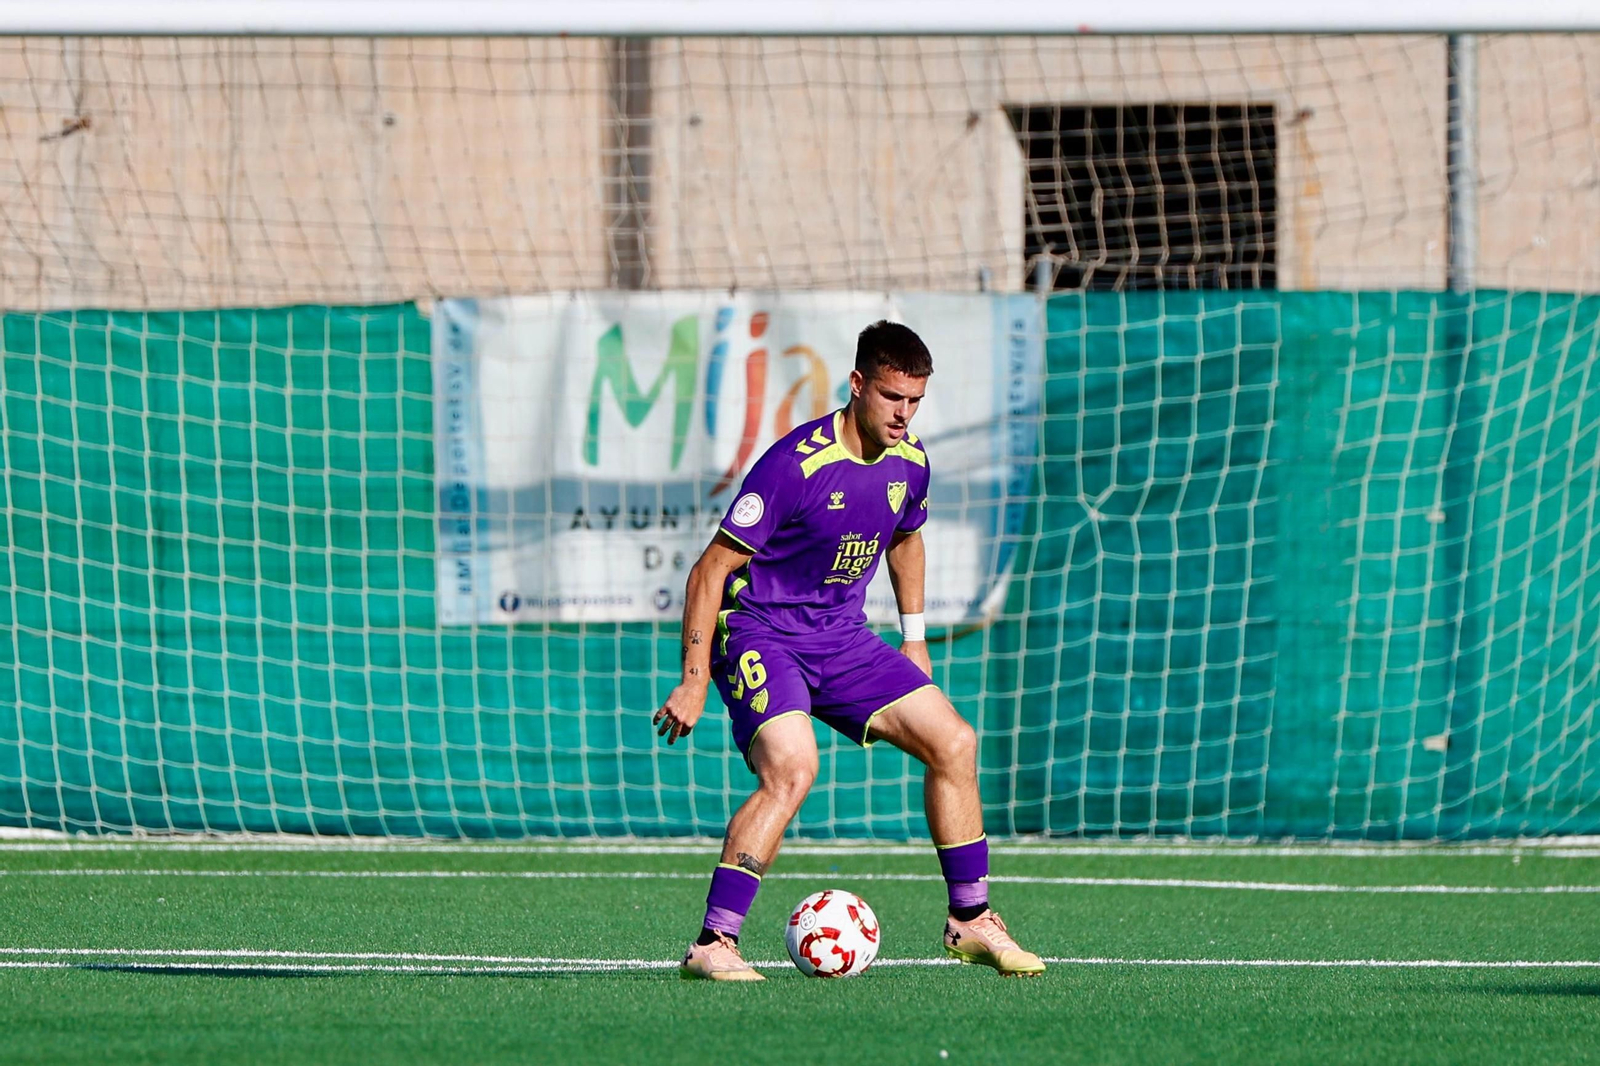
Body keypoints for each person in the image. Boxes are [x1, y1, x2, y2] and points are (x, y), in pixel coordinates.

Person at [653, 319, 1045, 981]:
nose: (904, 414)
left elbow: (906, 538)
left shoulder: (912, 462)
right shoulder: (793, 465)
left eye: (916, 400)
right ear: (858, 384)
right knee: (792, 768)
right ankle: (714, 943)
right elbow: (709, 569)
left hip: (842, 638)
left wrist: (914, 638)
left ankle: (972, 920)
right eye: (893, 397)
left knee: (954, 742)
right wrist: (693, 678)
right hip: (760, 631)